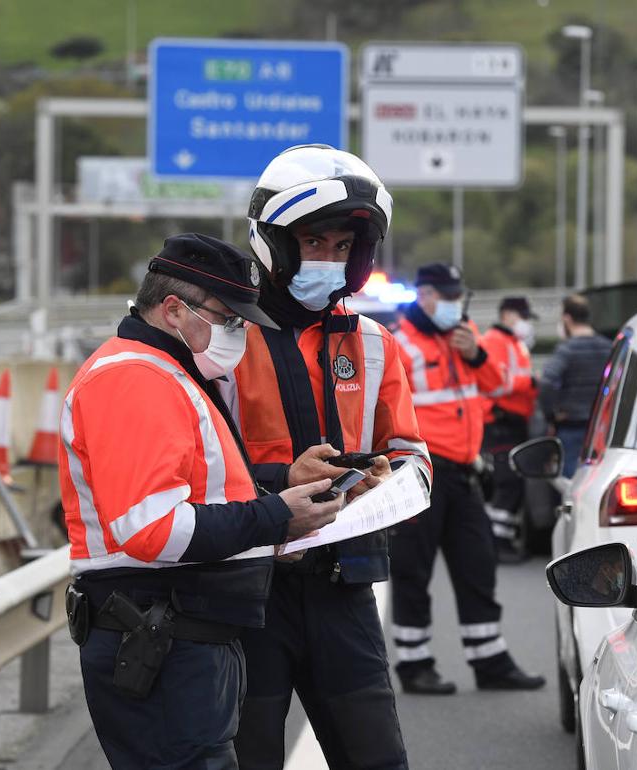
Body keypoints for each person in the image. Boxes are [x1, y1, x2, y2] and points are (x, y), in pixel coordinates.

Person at [59, 233, 341, 769]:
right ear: (173, 310)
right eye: (229, 318)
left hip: (180, 636)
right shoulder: (135, 379)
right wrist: (276, 517)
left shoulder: (170, 375)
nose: (240, 333)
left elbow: (201, 499)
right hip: (160, 637)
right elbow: (153, 529)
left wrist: (274, 531)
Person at [224, 144, 431, 770]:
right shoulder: (217, 343)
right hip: (242, 590)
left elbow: (416, 463)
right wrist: (279, 479)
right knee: (246, 758)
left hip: (344, 586)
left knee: (377, 759)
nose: (330, 260)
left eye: (344, 248)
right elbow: (191, 465)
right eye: (316, 243)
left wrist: (384, 484)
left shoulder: (374, 345)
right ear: (275, 241)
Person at [388, 263, 546, 695]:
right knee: (413, 571)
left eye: (459, 296)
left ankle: (489, 660)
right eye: (448, 296)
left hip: (464, 471)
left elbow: (496, 388)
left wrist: (475, 354)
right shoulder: (400, 345)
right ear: (425, 297)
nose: (457, 304)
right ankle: (414, 663)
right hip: (420, 472)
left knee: (477, 565)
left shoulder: (465, 336)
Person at [479, 296, 538, 562]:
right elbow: (497, 382)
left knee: (512, 481)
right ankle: (497, 544)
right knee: (506, 481)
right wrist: (531, 383)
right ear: (506, 315)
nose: (525, 323)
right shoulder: (494, 341)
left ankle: (504, 540)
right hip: (499, 421)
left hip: (512, 422)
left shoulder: (513, 343)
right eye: (521, 316)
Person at [539, 294, 612, 477]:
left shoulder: (567, 349)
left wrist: (552, 414)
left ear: (567, 318)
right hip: (602, 428)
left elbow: (547, 382)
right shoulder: (608, 347)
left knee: (571, 483)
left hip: (571, 427)